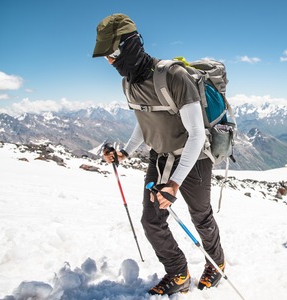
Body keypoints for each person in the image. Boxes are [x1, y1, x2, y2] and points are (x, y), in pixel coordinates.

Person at [93, 13, 225, 296]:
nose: (109, 61)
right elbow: (145, 122)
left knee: (201, 216)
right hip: (160, 158)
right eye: (106, 56)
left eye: (112, 53)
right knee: (151, 221)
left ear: (129, 45)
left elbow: (196, 134)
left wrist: (175, 182)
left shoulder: (174, 77)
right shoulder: (128, 83)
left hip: (195, 160)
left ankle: (217, 263)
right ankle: (178, 272)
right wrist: (125, 152)